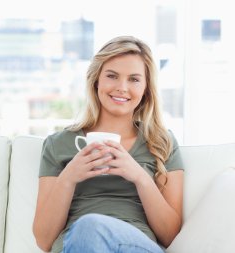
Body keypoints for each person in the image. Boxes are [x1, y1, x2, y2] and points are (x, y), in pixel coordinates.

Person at [32, 36, 184, 253]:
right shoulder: (58, 144)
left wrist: (139, 176)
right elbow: (43, 241)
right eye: (112, 76)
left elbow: (170, 235)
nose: (122, 87)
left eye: (134, 79)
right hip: (75, 245)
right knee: (87, 228)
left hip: (136, 245)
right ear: (97, 81)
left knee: (91, 226)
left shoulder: (161, 142)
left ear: (146, 89)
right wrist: (69, 177)